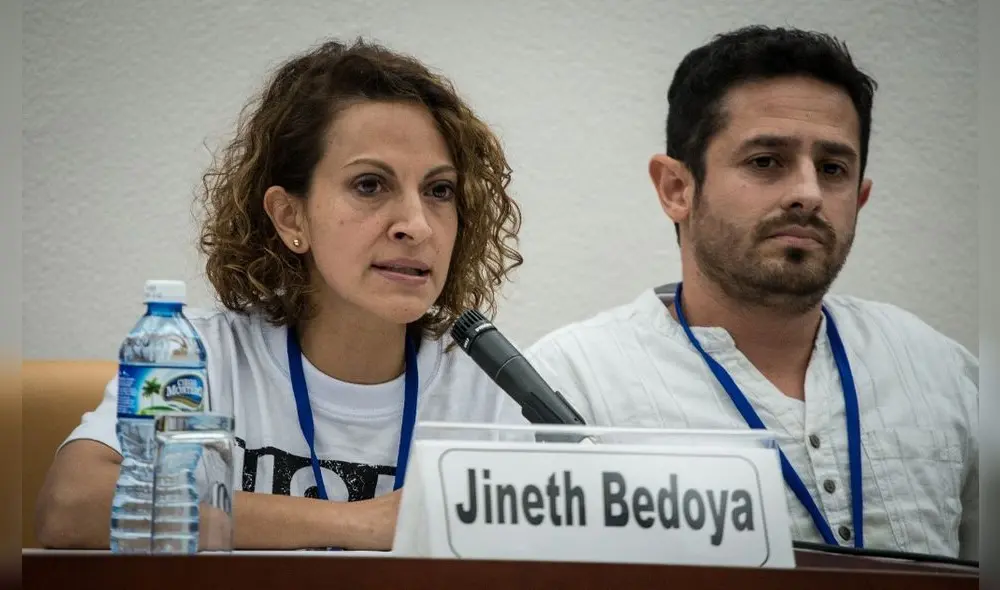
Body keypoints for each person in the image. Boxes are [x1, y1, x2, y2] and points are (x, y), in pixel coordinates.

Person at [36, 38, 528, 551]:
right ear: (291, 216)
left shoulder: (487, 388)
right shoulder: (201, 358)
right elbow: (71, 506)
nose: (417, 224)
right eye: (369, 185)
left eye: (439, 190)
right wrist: (359, 524)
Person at [526, 26, 978, 559]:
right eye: (766, 161)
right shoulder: (569, 386)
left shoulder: (942, 372)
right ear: (677, 188)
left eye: (832, 169)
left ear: (860, 196)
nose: (808, 193)